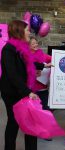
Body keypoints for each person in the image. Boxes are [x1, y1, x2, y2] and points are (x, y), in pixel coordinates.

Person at [0, 20, 38, 150]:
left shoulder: (22, 48)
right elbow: (12, 74)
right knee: (13, 122)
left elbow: (29, 64)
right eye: (27, 30)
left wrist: (45, 65)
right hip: (12, 93)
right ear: (19, 31)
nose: (29, 32)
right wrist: (27, 92)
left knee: (31, 122)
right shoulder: (8, 49)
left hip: (23, 90)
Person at [29, 36, 52, 111]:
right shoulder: (25, 57)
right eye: (33, 44)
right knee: (34, 111)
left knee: (46, 110)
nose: (36, 45)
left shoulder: (43, 55)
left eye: (36, 43)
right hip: (31, 91)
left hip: (43, 89)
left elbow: (55, 58)